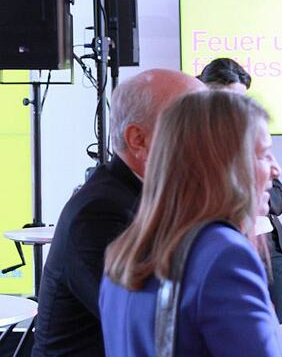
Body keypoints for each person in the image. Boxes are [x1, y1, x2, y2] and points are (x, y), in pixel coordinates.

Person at [99, 91, 282, 356]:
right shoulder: (225, 255)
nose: (276, 169)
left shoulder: (126, 251)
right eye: (264, 154)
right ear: (225, 164)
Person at [34, 69, 205, 356]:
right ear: (138, 139)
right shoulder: (100, 212)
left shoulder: (153, 195)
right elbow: (148, 328)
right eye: (192, 125)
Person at [198, 57, 282, 323]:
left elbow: (279, 199)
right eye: (227, 100)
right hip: (235, 245)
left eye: (241, 101)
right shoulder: (193, 149)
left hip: (271, 249)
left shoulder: (253, 136)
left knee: (274, 325)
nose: (275, 169)